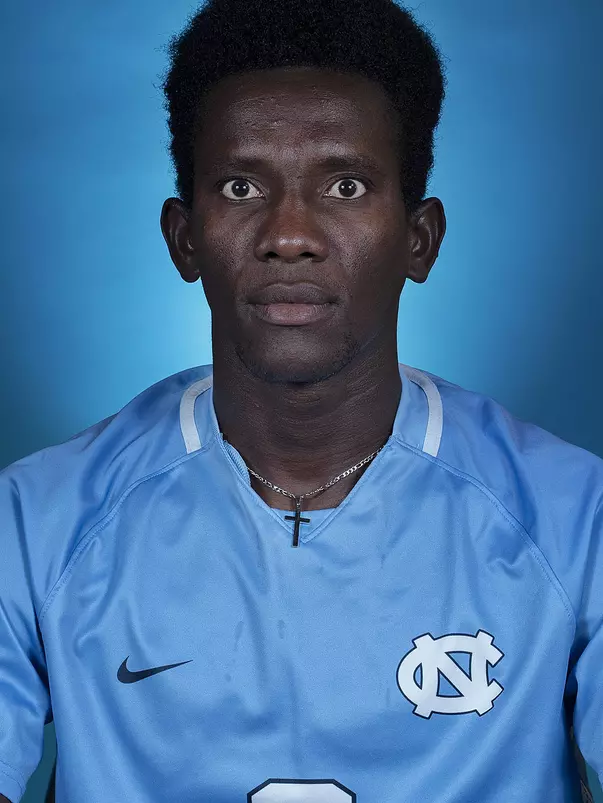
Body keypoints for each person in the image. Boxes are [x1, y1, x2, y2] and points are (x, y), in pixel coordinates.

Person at [0, 0, 601, 800]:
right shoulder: (37, 522)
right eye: (242, 185)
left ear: (418, 238)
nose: (290, 233)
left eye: (345, 184)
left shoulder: (573, 518)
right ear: (184, 237)